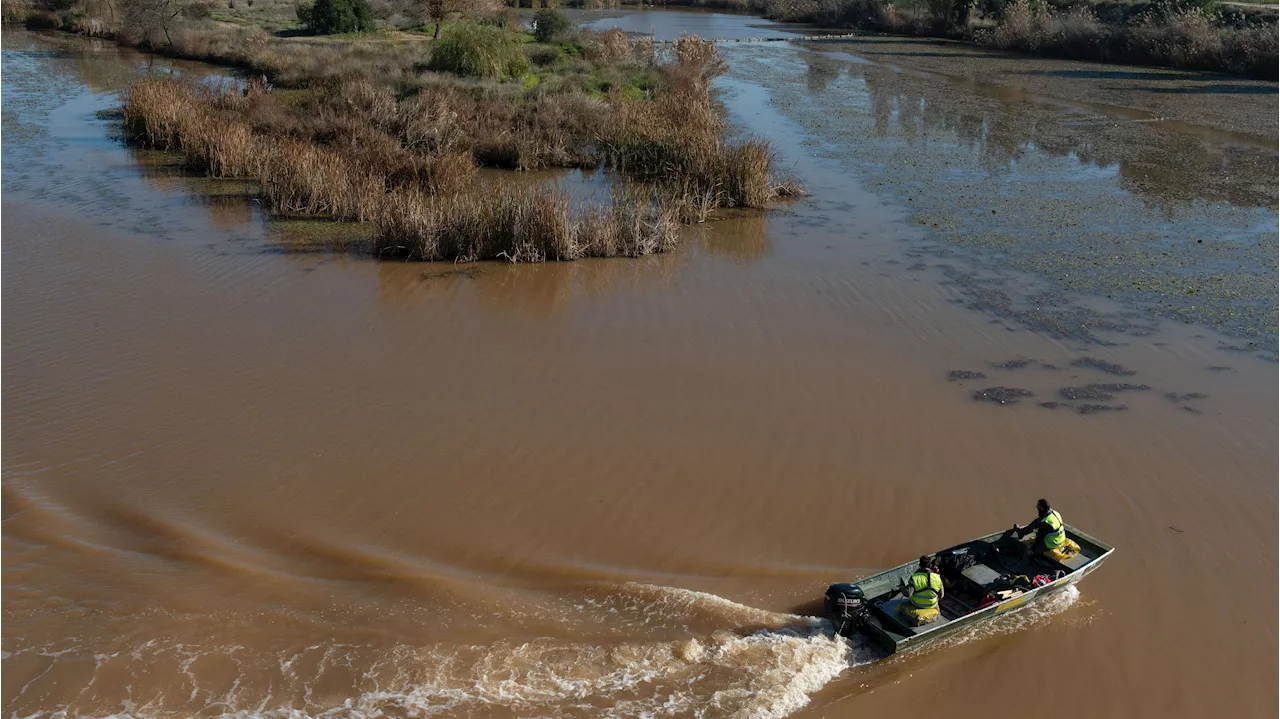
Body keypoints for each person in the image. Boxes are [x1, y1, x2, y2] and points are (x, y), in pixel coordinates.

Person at [898, 555, 944, 625]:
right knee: (937, 608)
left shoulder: (915, 578)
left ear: (919, 565)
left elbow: (908, 594)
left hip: (917, 605)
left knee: (902, 607)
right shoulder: (937, 577)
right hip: (932, 605)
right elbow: (941, 595)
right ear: (930, 565)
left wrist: (902, 587)